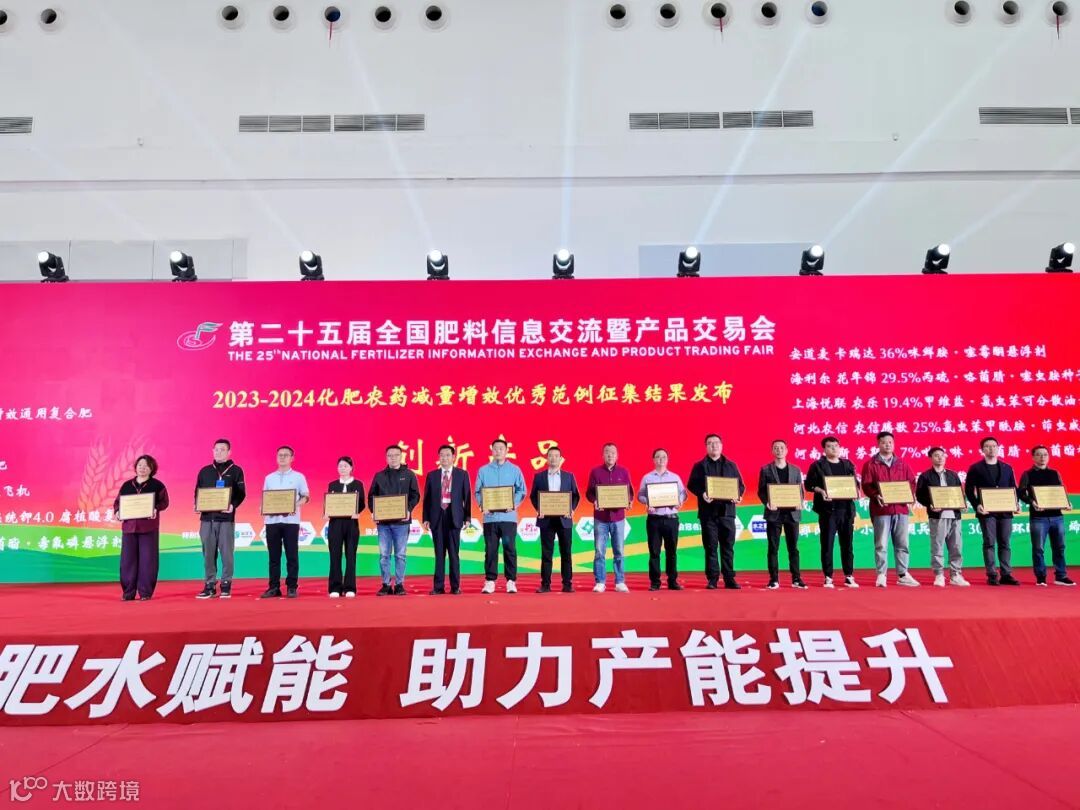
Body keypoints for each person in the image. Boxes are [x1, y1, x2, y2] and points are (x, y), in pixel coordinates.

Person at [861, 431, 920, 588]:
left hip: (900, 509)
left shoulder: (902, 463)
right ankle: (881, 574)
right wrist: (875, 495)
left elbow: (911, 482)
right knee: (881, 544)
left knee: (902, 543)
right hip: (881, 509)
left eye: (890, 442)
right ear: (878, 444)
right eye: (884, 442)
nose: (887, 445)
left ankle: (903, 574)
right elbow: (866, 485)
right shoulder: (871, 464)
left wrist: (910, 495)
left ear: (893, 444)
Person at [687, 434, 745, 589]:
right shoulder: (699, 466)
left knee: (728, 547)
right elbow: (691, 484)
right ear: (706, 446)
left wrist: (738, 495)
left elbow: (740, 486)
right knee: (710, 547)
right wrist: (702, 493)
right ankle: (712, 579)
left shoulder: (731, 465)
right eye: (710, 443)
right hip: (708, 514)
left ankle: (729, 578)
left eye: (716, 442)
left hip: (727, 512)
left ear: (721, 445)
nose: (714, 445)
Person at [194, 438, 246, 599]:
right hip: (206, 519)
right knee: (208, 554)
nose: (219, 452)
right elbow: (198, 491)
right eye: (216, 449)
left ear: (229, 452)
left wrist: (233, 505)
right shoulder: (205, 471)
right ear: (212, 451)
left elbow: (241, 493)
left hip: (225, 519)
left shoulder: (236, 470)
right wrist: (197, 505)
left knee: (227, 553)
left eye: (222, 449)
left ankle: (226, 584)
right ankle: (209, 585)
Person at [964, 436, 1020, 586]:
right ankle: (992, 574)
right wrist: (977, 505)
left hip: (1005, 511)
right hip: (986, 511)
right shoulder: (976, 468)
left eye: (994, 446)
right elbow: (969, 490)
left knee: (1005, 542)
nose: (991, 449)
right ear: (982, 450)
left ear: (998, 448)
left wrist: (1016, 504)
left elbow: (1013, 488)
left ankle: (1006, 574)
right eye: (988, 446)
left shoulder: (1007, 468)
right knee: (989, 542)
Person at [804, 436, 859, 588]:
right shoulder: (818, 465)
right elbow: (808, 485)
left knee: (847, 545)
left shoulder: (847, 464)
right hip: (828, 511)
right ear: (824, 449)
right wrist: (821, 491)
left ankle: (849, 575)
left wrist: (856, 491)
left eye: (836, 445)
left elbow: (855, 482)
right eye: (829, 446)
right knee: (827, 544)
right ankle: (828, 576)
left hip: (846, 510)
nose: (833, 448)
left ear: (839, 447)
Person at [113, 455, 169, 601]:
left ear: (152, 469)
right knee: (127, 561)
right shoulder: (126, 485)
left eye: (146, 466)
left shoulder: (157, 485)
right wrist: (117, 512)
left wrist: (156, 508)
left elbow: (164, 502)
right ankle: (128, 592)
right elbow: (118, 503)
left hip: (148, 528)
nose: (142, 468)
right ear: (136, 467)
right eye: (140, 465)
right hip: (129, 528)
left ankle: (145, 592)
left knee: (148, 560)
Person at [475, 438, 527, 594]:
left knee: (509, 549)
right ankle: (490, 581)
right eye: (495, 448)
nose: (498, 451)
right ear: (491, 451)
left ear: (506, 451)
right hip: (490, 519)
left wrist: (513, 504)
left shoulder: (515, 470)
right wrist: (483, 505)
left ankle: (511, 581)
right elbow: (478, 491)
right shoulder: (483, 470)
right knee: (490, 550)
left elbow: (522, 490)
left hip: (508, 519)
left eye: (501, 448)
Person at [1018, 445, 1075, 587]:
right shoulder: (1028, 474)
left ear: (1048, 457)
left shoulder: (1055, 473)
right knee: (1038, 549)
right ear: (1033, 457)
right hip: (1038, 517)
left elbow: (1060, 491)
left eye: (1045, 454)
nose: (1042, 457)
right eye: (1038, 454)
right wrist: (1032, 502)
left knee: (1060, 547)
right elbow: (1021, 493)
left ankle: (1061, 576)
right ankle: (1041, 577)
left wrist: (1067, 503)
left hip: (1057, 516)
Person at [368, 445, 421, 596]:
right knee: (384, 555)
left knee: (400, 555)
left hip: (401, 523)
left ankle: (399, 584)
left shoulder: (409, 474)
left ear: (401, 456)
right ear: (386, 458)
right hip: (383, 523)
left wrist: (408, 509)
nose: (393, 458)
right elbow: (371, 496)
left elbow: (415, 495)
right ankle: (385, 584)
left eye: (396, 455)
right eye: (390, 455)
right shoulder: (379, 476)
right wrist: (374, 511)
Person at [259, 446, 310, 599]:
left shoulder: (299, 477)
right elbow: (266, 498)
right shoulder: (269, 478)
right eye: (280, 455)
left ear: (292, 458)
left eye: (286, 455)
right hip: (272, 521)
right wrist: (263, 508)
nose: (282, 458)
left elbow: (306, 496)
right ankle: (274, 587)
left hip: (291, 521)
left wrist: (295, 505)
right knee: (273, 557)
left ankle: (292, 586)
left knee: (292, 555)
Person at [915, 446, 969, 587]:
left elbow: (959, 493)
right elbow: (920, 495)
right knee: (937, 546)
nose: (940, 458)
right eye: (936, 455)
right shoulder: (925, 476)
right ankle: (939, 574)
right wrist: (930, 504)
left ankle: (955, 575)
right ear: (930, 458)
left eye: (942, 455)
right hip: (937, 516)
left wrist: (963, 504)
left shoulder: (953, 475)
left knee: (956, 546)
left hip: (954, 516)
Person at [529, 445, 581, 593]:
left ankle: (567, 584)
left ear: (560, 459)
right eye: (550, 455)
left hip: (564, 519)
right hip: (546, 520)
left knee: (566, 553)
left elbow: (576, 496)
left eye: (556, 456)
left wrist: (571, 509)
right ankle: (545, 584)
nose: (553, 458)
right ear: (547, 458)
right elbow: (533, 496)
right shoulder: (539, 477)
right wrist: (539, 509)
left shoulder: (568, 476)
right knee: (546, 553)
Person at [757, 439, 807, 590]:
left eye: (781, 448)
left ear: (787, 450)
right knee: (773, 548)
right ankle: (773, 579)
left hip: (792, 514)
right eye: (776, 448)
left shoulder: (796, 470)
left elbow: (800, 490)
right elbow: (761, 491)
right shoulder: (766, 469)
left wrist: (800, 502)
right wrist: (767, 502)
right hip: (774, 514)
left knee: (793, 548)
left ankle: (796, 578)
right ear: (772, 451)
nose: (779, 450)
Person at [422, 444, 472, 595]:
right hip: (437, 517)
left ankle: (455, 586)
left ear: (453, 457)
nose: (444, 458)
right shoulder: (432, 475)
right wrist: (426, 518)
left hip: (454, 516)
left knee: (454, 554)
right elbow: (427, 499)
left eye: (447, 455)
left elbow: (467, 497)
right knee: (439, 554)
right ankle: (438, 587)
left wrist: (467, 517)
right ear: (439, 458)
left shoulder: (462, 474)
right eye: (442, 455)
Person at [586, 442, 635, 593]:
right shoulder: (595, 472)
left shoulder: (623, 472)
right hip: (600, 518)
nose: (610, 455)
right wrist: (595, 501)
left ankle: (620, 581)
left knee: (619, 551)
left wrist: (629, 501)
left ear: (617, 455)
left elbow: (629, 492)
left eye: (613, 453)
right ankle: (600, 582)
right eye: (607, 452)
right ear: (603, 455)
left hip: (618, 518)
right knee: (599, 552)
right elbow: (589, 493)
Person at [637, 448, 686, 591]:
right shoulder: (647, 478)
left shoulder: (675, 477)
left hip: (671, 519)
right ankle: (655, 582)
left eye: (664, 457)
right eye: (658, 457)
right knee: (654, 552)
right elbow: (640, 495)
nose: (661, 459)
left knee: (672, 552)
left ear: (667, 459)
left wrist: (679, 501)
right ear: (653, 460)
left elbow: (683, 493)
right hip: (654, 519)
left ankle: (672, 581)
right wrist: (648, 502)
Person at [325, 456, 364, 598]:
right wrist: (327, 512)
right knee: (335, 555)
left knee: (351, 555)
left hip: (351, 523)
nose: (342, 468)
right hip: (335, 523)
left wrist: (357, 512)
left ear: (351, 468)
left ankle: (350, 587)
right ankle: (335, 587)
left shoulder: (358, 484)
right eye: (340, 466)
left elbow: (362, 503)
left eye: (345, 466)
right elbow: (329, 502)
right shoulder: (332, 484)